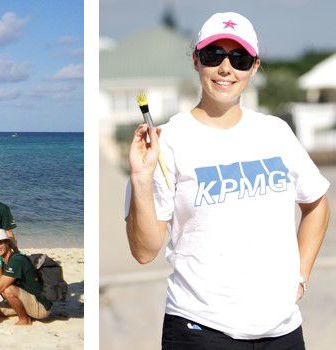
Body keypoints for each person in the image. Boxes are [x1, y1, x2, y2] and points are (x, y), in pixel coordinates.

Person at [125, 12, 329, 348]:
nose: (225, 68)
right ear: (196, 61)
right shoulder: (168, 141)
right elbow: (144, 251)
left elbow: (317, 205)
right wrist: (141, 178)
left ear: (254, 67)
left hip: (283, 330)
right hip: (201, 329)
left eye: (239, 58)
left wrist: (300, 277)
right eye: (213, 55)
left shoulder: (275, 132)